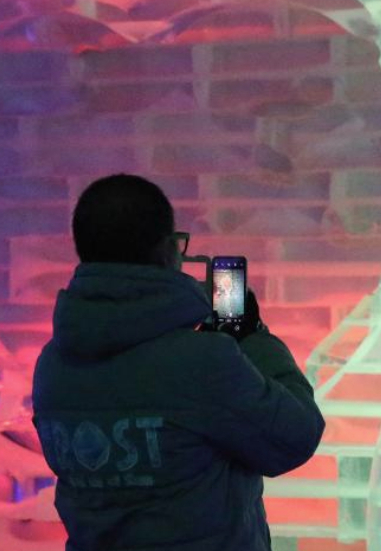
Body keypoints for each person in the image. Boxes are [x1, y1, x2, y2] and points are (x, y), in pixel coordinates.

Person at [31, 174, 326, 551]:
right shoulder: (202, 361)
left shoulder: (53, 366)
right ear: (167, 251)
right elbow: (296, 436)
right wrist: (252, 336)